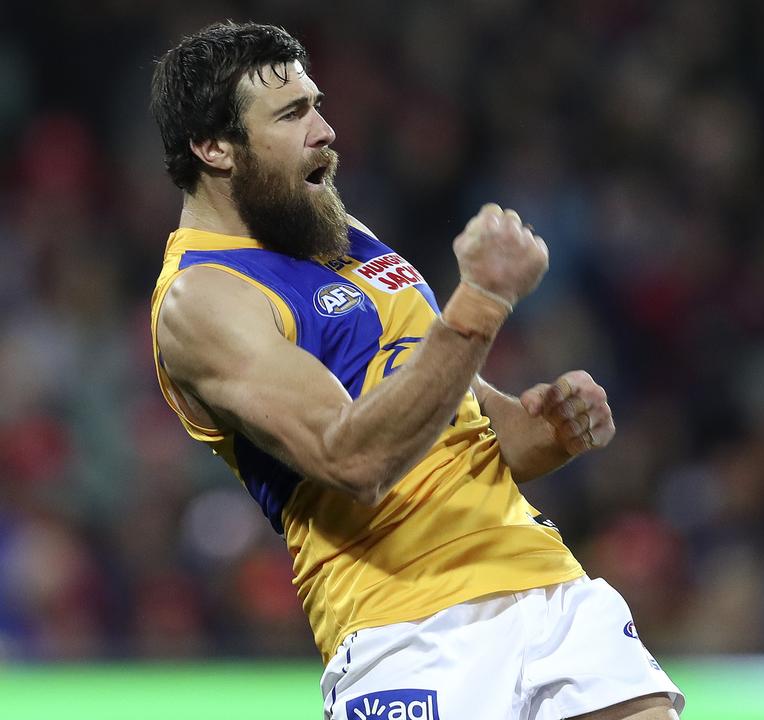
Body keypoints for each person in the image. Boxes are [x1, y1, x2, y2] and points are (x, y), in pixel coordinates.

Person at [148, 21, 682, 720]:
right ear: (213, 147)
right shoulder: (203, 297)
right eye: (292, 114)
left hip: (547, 587)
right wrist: (482, 301)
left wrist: (546, 425)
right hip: (409, 631)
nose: (326, 130)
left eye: (317, 103)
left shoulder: (341, 235)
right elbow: (356, 458)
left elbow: (462, 419)